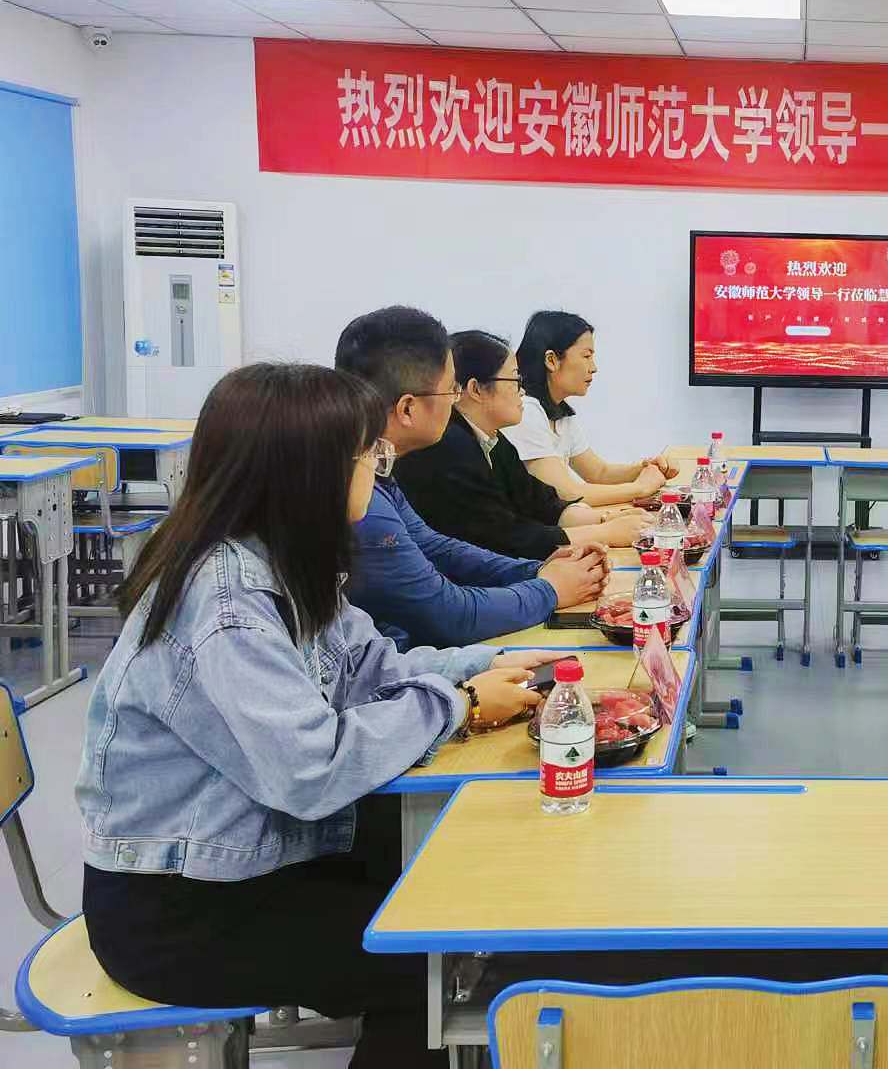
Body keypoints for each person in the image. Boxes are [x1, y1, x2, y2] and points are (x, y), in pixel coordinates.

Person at [75, 363, 573, 1069]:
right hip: (182, 910)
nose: (380, 467)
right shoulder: (225, 608)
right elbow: (311, 770)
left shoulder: (282, 559)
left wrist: (490, 666)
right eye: (371, 454)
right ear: (311, 474)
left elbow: (370, 665)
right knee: (436, 957)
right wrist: (459, 703)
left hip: (255, 853)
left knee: (465, 870)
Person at [335, 306, 605, 648]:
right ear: (407, 408)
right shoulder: (366, 493)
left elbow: (434, 546)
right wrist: (549, 589)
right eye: (450, 390)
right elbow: (449, 615)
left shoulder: (379, 469)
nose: (455, 401)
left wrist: (535, 570)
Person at [394, 330, 650, 559]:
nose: (522, 391)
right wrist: (606, 532)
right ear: (476, 389)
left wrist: (605, 519)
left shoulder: (493, 439)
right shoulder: (449, 447)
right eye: (515, 380)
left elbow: (540, 502)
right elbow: (506, 538)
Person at [506, 310, 674, 506]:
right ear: (551, 360)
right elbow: (566, 493)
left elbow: (599, 473)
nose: (593, 368)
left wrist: (645, 468)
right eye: (586, 356)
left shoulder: (559, 413)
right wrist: (640, 488)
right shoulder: (525, 411)